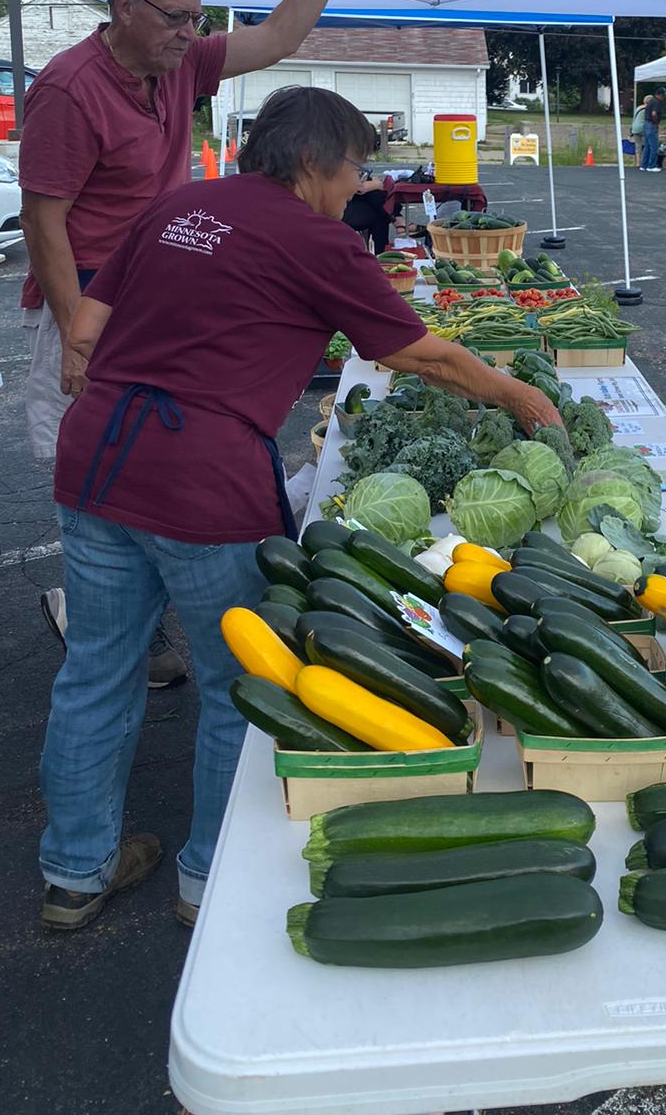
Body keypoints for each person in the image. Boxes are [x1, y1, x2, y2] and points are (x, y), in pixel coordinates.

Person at [39, 88, 562, 933]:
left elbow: (87, 329)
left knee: (96, 670)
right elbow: (419, 354)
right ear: (314, 161)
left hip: (97, 456)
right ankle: (207, 884)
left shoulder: (179, 206)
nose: (360, 187)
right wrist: (517, 395)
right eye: (355, 169)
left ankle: (74, 873)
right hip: (200, 474)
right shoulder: (316, 239)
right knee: (238, 683)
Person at [20, 0, 373, 687]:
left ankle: (128, 606)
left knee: (155, 448)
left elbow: (279, 36)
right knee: (98, 453)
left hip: (160, 280)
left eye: (198, 17)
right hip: (89, 288)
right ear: (123, 7)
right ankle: (104, 613)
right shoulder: (71, 89)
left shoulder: (177, 63)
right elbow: (43, 222)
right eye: (176, 17)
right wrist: (77, 336)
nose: (191, 32)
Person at [640, 86, 666, 171]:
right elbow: (654, 113)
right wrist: (656, 122)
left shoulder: (650, 101)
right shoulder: (656, 102)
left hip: (646, 124)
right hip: (652, 125)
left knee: (647, 146)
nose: (663, 98)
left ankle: (643, 165)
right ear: (660, 95)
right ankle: (651, 166)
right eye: (663, 96)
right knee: (654, 146)